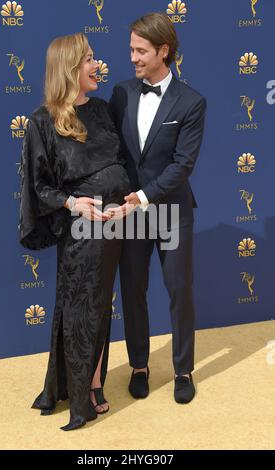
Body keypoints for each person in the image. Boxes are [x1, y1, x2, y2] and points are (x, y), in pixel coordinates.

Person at [19, 32, 130, 431]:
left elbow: (118, 161)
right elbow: (39, 186)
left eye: (95, 57)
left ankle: (94, 382)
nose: (96, 65)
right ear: (69, 68)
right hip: (82, 231)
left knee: (102, 306)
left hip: (118, 225)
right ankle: (81, 395)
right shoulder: (41, 122)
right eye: (88, 60)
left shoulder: (101, 110)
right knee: (81, 309)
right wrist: (72, 203)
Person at [109, 13, 206, 404]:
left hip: (171, 210)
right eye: (131, 49)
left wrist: (144, 196)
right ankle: (139, 366)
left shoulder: (192, 101)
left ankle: (184, 370)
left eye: (140, 50)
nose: (132, 57)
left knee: (179, 290)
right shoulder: (120, 93)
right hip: (131, 212)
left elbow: (183, 164)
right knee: (132, 290)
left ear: (163, 51)